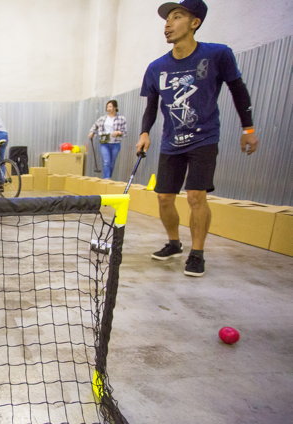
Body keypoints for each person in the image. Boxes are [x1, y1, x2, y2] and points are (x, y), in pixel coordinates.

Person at [136, 0, 258, 277]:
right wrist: (145, 132)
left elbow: (238, 90)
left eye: (176, 17)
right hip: (171, 140)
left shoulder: (217, 55)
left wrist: (248, 128)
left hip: (204, 137)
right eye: (167, 19)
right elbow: (152, 106)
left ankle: (197, 253)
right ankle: (174, 243)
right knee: (164, 197)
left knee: (195, 195)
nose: (168, 24)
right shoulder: (156, 67)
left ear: (195, 23)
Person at [88, 100, 127, 179]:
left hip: (115, 143)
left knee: (112, 163)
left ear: (115, 107)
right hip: (104, 142)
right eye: (107, 107)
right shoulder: (102, 118)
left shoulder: (121, 118)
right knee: (106, 162)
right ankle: (107, 179)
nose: (108, 108)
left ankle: (108, 179)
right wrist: (91, 132)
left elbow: (125, 132)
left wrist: (118, 132)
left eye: (110, 106)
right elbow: (95, 126)